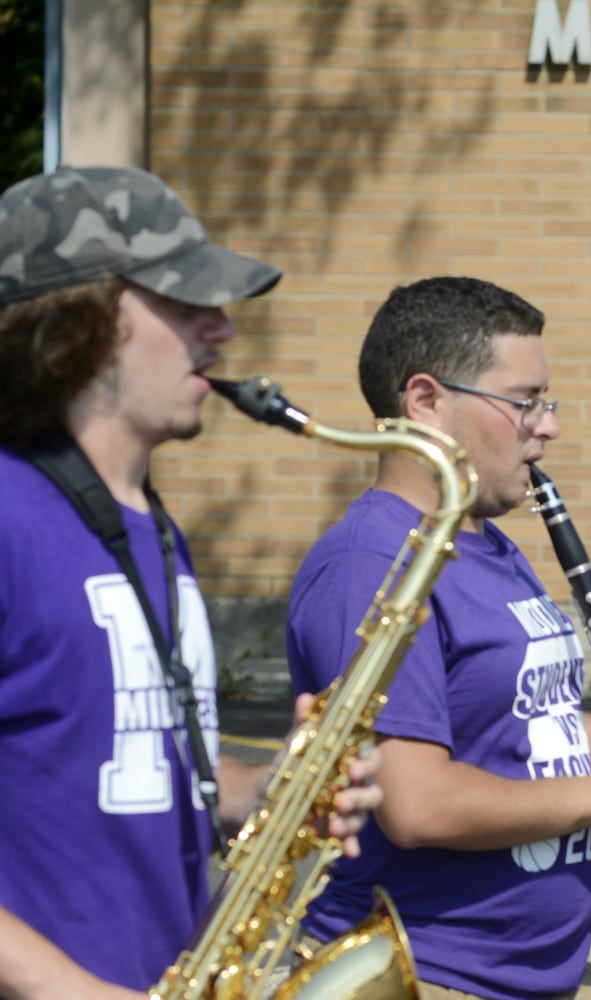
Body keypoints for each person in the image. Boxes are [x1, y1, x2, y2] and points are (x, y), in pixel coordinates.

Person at [285, 275, 591, 1000]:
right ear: (426, 402)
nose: (547, 426)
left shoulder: (487, 542)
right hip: (431, 976)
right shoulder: (374, 562)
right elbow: (416, 803)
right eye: (525, 402)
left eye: (547, 402)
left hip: (530, 978)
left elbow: (524, 730)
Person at [0, 165, 382, 999]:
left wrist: (270, 787)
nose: (220, 330)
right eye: (183, 300)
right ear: (78, 322)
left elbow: (137, 770)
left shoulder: (150, 526)